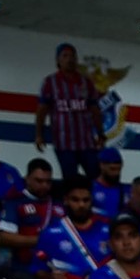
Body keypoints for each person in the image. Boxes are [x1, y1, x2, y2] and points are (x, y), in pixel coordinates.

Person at [35, 43, 103, 179]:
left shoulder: (86, 82)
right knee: (70, 180)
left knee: (96, 177)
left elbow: (95, 109)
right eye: (65, 56)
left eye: (72, 56)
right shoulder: (50, 82)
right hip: (63, 142)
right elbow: (42, 111)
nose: (69, 59)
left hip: (86, 142)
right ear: (58, 60)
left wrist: (101, 134)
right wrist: (39, 134)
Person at [92, 147, 125, 220]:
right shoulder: (90, 189)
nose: (115, 174)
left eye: (118, 170)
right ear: (101, 165)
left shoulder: (124, 191)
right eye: (112, 169)